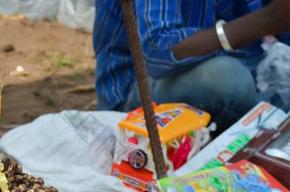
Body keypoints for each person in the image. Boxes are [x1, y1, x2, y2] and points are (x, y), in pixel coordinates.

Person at [93, 0, 290, 131]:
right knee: (228, 80)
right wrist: (266, 20)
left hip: (236, 65)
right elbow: (157, 50)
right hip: (139, 89)